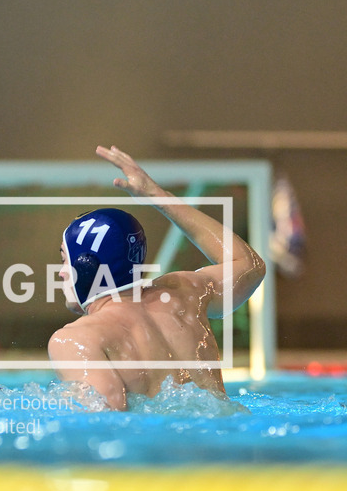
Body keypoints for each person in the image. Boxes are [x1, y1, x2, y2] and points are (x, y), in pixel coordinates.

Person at [48, 146, 266, 411]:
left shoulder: (76, 340)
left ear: (86, 267)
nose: (60, 272)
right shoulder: (186, 293)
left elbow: (106, 422)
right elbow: (249, 264)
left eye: (64, 259)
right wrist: (158, 196)